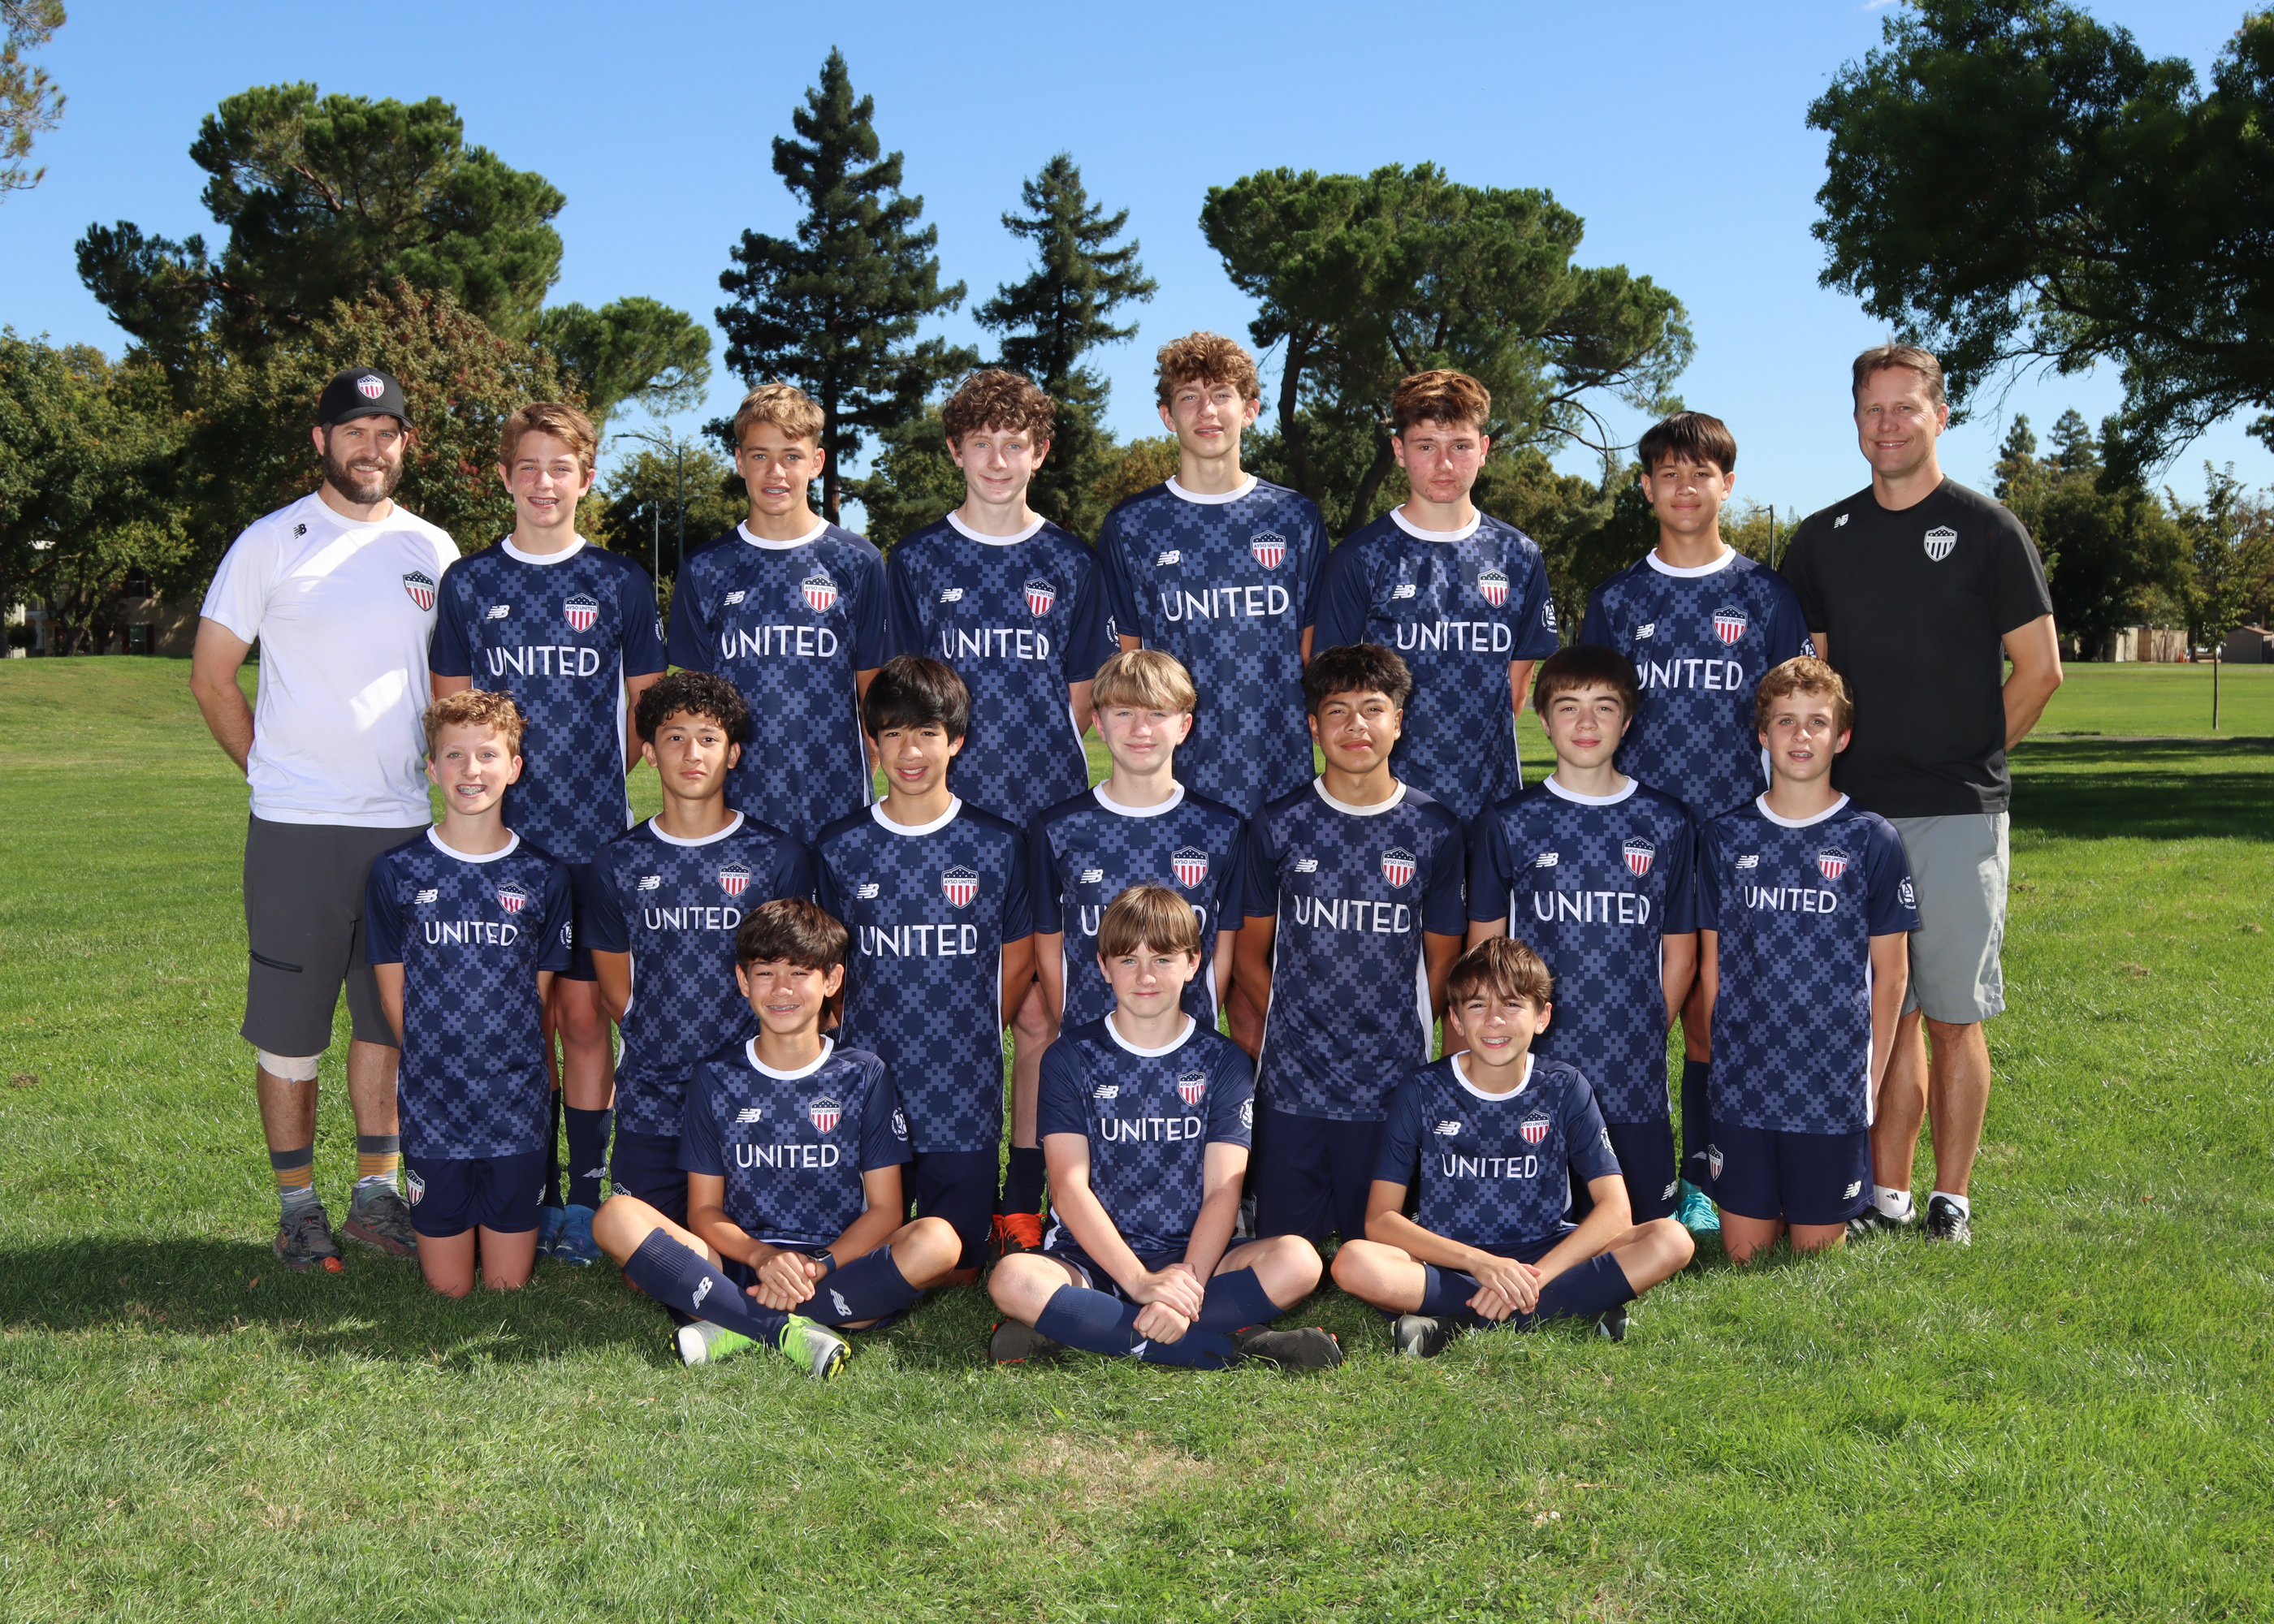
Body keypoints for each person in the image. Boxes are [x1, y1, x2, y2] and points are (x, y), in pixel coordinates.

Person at [1779, 344, 2062, 1245]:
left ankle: (1952, 1198)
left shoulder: (1988, 529)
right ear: (1855, 420)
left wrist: (1966, 761)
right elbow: (1815, 683)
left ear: (1940, 416)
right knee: (1885, 1013)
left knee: (1950, 1013)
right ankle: (1887, 1192)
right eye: (1873, 409)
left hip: (1955, 813)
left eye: (1907, 407)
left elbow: (2040, 669)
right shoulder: (1821, 538)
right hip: (1853, 817)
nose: (1889, 424)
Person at [189, 365, 460, 1272]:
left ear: (405, 444)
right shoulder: (271, 541)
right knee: (291, 1027)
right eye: (353, 430)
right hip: (297, 827)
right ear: (321, 440)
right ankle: (296, 1208)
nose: (370, 447)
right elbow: (211, 676)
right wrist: (268, 769)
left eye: (387, 432)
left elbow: (451, 686)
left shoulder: (432, 547)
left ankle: (377, 1196)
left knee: (386, 1022)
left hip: (405, 827)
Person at [428, 401, 667, 1264]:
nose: (543, 483)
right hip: (495, 847)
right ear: (504, 477)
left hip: (592, 839)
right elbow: (451, 711)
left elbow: (646, 710)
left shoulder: (618, 581)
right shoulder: (469, 583)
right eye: (527, 466)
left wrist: (594, 777)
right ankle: (527, 1181)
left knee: (584, 1015)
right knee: (514, 1021)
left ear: (585, 479)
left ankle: (585, 1194)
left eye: (560, 467)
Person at [885, 369, 1113, 1256]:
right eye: (979, 442)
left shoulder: (1071, 562)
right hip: (941, 815)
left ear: (1039, 453)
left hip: (1045, 812)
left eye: (1014, 444)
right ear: (955, 450)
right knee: (934, 998)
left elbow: (1081, 695)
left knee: (1039, 1011)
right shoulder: (916, 560)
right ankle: (905, 1174)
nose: (996, 459)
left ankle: (1021, 1194)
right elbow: (901, 693)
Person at [1577, 411, 1813, 1233]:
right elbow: (1588, 717)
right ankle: (1603, 1173)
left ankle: (1705, 1176)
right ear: (1646, 488)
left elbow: (1794, 716)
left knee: (1715, 1017)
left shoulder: (1765, 595)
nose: (1685, 488)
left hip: (1734, 840)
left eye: (1701, 473)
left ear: (1728, 484)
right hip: (1630, 844)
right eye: (1669, 474)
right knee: (1623, 1010)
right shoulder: (1617, 599)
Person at [590, 900, 962, 1379]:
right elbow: (704, 1210)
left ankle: (732, 1321)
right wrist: (763, 1257)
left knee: (938, 1241)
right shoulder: (715, 1076)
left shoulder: (865, 1074)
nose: (782, 988)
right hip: (735, 1263)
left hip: (835, 1266)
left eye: (800, 973)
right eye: (765, 973)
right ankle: (786, 1327)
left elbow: (887, 1210)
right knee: (616, 1216)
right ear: (744, 981)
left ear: (832, 980)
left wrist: (817, 1266)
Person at [988, 887, 1341, 1371]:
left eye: (1163, 959)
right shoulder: (1070, 1057)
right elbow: (1069, 1189)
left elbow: (1223, 1191)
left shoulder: (1223, 1062)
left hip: (1199, 1257)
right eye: (1128, 960)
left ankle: (1089, 1328)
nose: (1146, 976)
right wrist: (1140, 1282)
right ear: (1103, 966)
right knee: (1012, 1278)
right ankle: (1231, 1347)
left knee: (1299, 1261)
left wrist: (1184, 1284)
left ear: (1193, 963)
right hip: (1090, 1258)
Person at [1093, 332, 1329, 1052]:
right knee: (1171, 979)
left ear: (1250, 409)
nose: (1207, 411)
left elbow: (1312, 656)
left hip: (1276, 778)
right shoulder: (1133, 526)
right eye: (1189, 397)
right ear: (1167, 415)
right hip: (1174, 788)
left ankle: (1254, 1124)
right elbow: (1128, 667)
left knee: (1263, 985)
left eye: (1221, 395)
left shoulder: (1294, 518)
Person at [1330, 939, 1694, 1353]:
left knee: (1672, 1239)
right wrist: (1480, 1263)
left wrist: (1534, 1277)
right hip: (1450, 1261)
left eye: (1512, 1004)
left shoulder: (1565, 1087)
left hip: (1547, 1255)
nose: (1495, 1020)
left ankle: (1454, 1322)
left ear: (1542, 1016)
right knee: (1353, 1262)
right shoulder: (1422, 1090)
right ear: (1455, 1019)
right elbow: (1380, 1219)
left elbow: (1616, 1211)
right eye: (1477, 1005)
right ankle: (1570, 1309)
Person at [1234, 644, 1466, 1248]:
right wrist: (1296, 1025)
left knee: (1380, 1251)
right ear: (1314, 727)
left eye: (1372, 709)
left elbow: (1444, 956)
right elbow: (1250, 955)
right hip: (1294, 1080)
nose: (1355, 725)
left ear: (1399, 721)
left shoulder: (1435, 828)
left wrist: (1403, 1026)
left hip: (1390, 1078)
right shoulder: (1277, 823)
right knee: (1288, 1255)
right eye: (1337, 711)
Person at [814, 657, 1033, 1281]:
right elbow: (827, 964)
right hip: (869, 1076)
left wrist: (977, 1033)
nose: (910, 751)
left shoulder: (998, 843)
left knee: (956, 1263)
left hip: (960, 1082)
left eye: (927, 733)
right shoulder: (840, 845)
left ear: (956, 740)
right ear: (873, 742)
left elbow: (1017, 962)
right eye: (893, 733)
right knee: (857, 1245)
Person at [1467, 646, 1699, 1226]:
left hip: (1631, 1066)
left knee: (1646, 1231)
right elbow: (1483, 954)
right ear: (1544, 720)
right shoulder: (1509, 821)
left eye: (1604, 707)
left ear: (1628, 719)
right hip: (1536, 1061)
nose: (1587, 722)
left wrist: (1647, 1026)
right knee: (1530, 1225)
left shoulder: (1666, 821)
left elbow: (1681, 953)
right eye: (1569, 707)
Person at [1025, 649, 1248, 1253]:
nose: (1140, 728)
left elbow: (1222, 949)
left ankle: (1200, 1251)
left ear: (1185, 725)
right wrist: (1074, 1022)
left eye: (1157, 713)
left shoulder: (1221, 828)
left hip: (1186, 1040)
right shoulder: (1058, 828)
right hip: (1093, 1043)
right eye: (1123, 713)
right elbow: (1050, 946)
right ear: (1097, 722)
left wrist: (1199, 1017)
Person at [1697, 658, 1917, 1263]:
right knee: (1744, 1257)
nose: (1801, 735)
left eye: (1817, 722)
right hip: (1745, 1082)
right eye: (1785, 721)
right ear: (1762, 734)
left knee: (1815, 1260)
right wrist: (1725, 1058)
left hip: (1829, 1084)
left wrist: (1869, 1083)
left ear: (1841, 737)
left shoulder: (1871, 838)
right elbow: (1712, 966)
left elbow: (1892, 975)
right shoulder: (1726, 836)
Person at [585, 672, 815, 1229]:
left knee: (753, 1244)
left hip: (754, 1091)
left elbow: (796, 977)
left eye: (709, 738)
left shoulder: (776, 856)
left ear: (732, 754)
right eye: (675, 738)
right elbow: (615, 990)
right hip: (653, 1094)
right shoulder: (619, 861)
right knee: (643, 1252)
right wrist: (653, 1033)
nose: (693, 754)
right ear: (649, 753)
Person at [364, 691, 573, 1297]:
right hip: (434, 1103)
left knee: (507, 1285)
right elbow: (394, 997)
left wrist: (501, 1065)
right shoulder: (396, 872)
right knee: (449, 1290)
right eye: (454, 755)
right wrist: (437, 1066)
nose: (470, 769)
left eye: (487, 754)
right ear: (432, 768)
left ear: (514, 767)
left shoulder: (544, 876)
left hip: (516, 1104)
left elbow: (537, 999)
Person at [1312, 369, 1561, 829]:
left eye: (1460, 446)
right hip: (1384, 812)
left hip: (1492, 810)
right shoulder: (1359, 557)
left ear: (1483, 449)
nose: (1444, 464)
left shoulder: (1519, 555)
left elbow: (1516, 691)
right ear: (1399, 450)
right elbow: (1335, 695)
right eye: (1426, 446)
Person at [665, 383, 892, 848]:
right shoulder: (706, 567)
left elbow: (873, 692)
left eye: (791, 456)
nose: (776, 472)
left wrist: (868, 764)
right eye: (759, 456)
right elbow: (694, 702)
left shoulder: (858, 561)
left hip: (838, 802)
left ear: (817, 462)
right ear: (739, 460)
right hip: (733, 806)